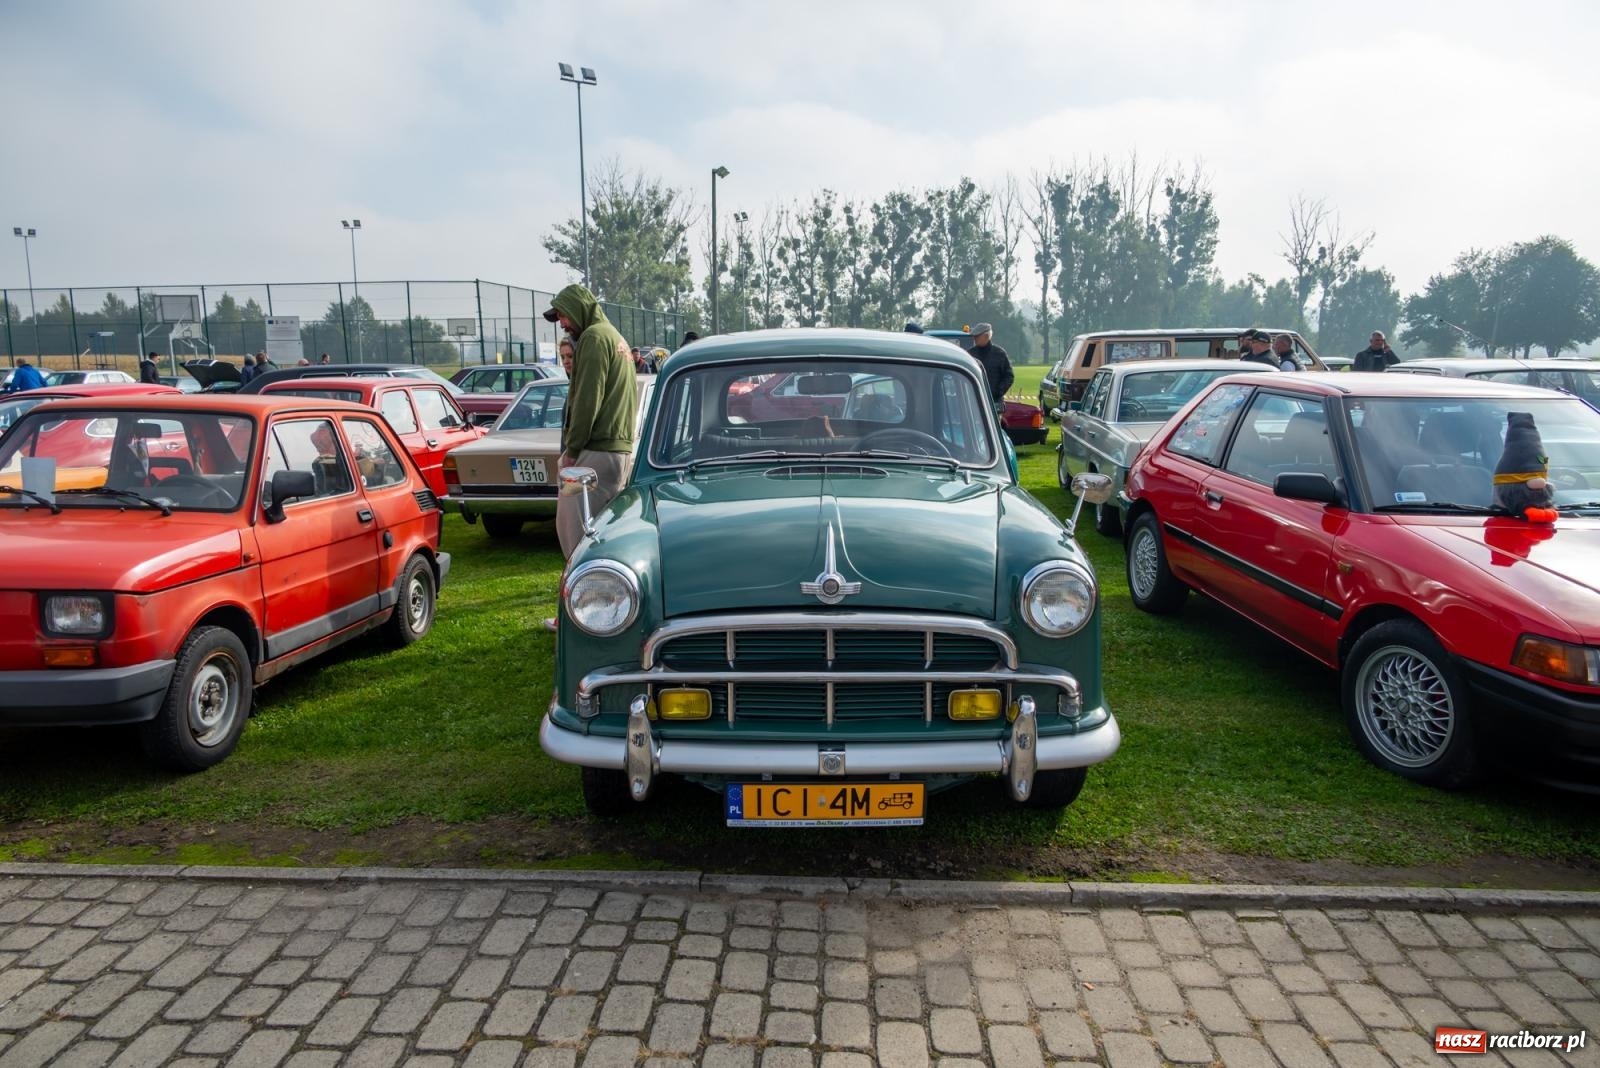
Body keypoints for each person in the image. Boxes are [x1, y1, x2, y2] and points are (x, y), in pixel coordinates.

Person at [543, 284, 637, 630]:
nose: (563, 323)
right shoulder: (614, 337)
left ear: (579, 308)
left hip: (594, 453)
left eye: (563, 314)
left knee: (577, 537)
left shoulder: (595, 339)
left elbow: (587, 399)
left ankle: (580, 619)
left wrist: (571, 451)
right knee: (602, 537)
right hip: (614, 451)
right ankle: (605, 612)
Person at [968, 322, 1014, 406]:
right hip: (974, 402)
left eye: (977, 336)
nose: (974, 338)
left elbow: (1009, 376)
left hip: (995, 403)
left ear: (986, 336)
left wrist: (998, 392)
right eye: (974, 336)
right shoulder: (970, 354)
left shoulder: (1000, 354)